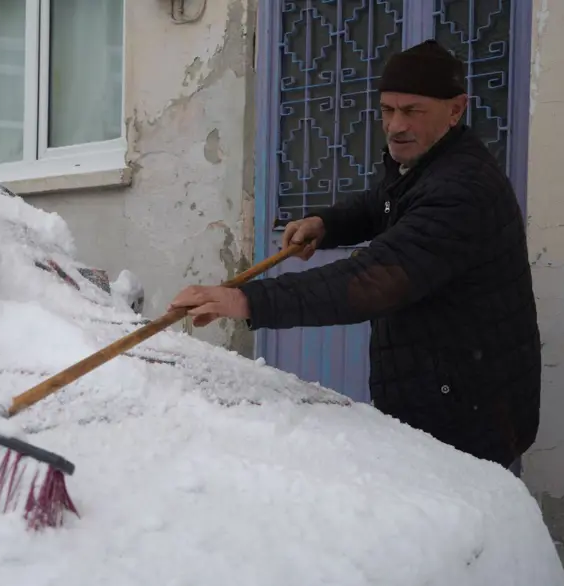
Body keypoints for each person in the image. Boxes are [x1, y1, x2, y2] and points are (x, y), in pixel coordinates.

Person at [168, 40, 541, 471]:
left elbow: (374, 279)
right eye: (387, 110)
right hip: (440, 399)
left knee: (461, 534)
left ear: (455, 110)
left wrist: (249, 299)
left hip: (469, 420)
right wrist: (327, 225)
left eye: (413, 111)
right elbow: (379, 204)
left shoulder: (463, 190)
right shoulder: (426, 167)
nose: (395, 125)